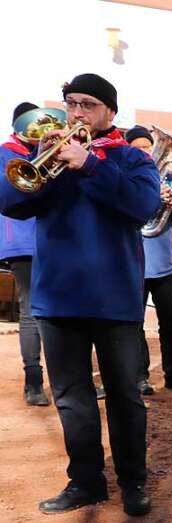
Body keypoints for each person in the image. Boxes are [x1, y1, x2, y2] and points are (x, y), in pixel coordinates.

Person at [1, 74, 160, 516]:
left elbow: (143, 207)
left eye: (88, 105)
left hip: (115, 299)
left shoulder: (130, 157)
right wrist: (39, 160)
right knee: (72, 398)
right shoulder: (47, 156)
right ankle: (85, 482)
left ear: (110, 112)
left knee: (125, 397)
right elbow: (11, 203)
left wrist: (89, 165)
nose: (76, 113)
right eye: (71, 103)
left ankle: (133, 482)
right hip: (57, 297)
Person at [125, 125, 172, 396]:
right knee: (135, 325)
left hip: (165, 263)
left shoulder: (171, 175)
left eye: (148, 146)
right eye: (139, 148)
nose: (147, 151)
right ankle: (140, 377)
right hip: (134, 262)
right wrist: (152, 198)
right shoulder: (125, 179)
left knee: (170, 324)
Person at [0, 101, 48, 406]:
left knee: (61, 311)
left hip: (52, 237)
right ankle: (33, 381)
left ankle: (71, 378)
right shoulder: (6, 152)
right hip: (20, 240)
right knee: (31, 309)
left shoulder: (42, 149)